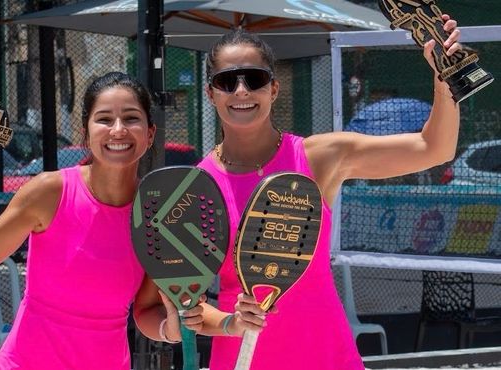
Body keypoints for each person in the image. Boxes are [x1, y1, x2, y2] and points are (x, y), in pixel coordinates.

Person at [194, 15, 461, 370]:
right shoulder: (197, 185)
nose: (241, 91)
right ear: (211, 93)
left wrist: (445, 78)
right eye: (227, 81)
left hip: (324, 352)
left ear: (273, 89)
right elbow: (190, 305)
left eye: (254, 79)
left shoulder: (320, 157)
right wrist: (230, 323)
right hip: (242, 357)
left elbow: (434, 147)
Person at [0, 72, 203, 370]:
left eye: (131, 118)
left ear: (150, 134)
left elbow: (146, 310)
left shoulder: (155, 216)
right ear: (86, 132)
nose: (118, 130)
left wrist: (170, 330)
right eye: (105, 119)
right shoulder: (49, 191)